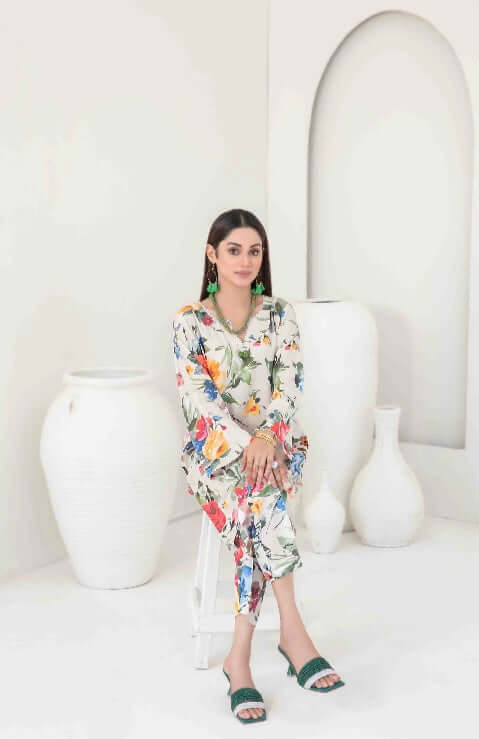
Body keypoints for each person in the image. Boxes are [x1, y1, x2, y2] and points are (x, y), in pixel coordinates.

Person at [172, 208, 344, 723]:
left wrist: (268, 437)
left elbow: (290, 385)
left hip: (278, 446)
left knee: (258, 505)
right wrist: (248, 446)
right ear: (212, 255)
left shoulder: (279, 315)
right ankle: (292, 633)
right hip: (213, 455)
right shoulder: (189, 322)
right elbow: (199, 404)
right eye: (233, 250)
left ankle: (240, 659)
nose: (245, 261)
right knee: (263, 503)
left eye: (254, 251)